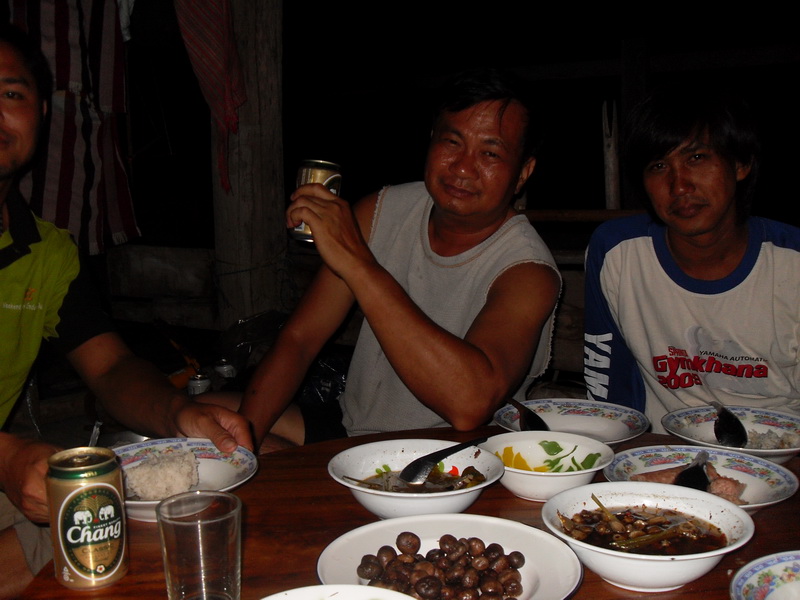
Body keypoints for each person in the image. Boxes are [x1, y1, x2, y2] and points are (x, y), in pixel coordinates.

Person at [0, 24, 252, 597]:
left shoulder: (48, 252)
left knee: (117, 520)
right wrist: (7, 456)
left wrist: (179, 416)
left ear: (41, 112)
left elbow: (111, 368)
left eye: (10, 93)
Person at [241, 68, 562, 448]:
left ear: (523, 172)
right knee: (211, 425)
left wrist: (358, 264)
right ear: (431, 139)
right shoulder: (381, 211)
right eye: (452, 142)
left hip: (453, 458)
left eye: (490, 153)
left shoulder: (528, 271)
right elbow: (300, 339)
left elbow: (469, 405)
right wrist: (242, 448)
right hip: (352, 431)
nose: (462, 167)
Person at [583, 87, 800, 432]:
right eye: (658, 166)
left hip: (783, 448)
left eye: (696, 158)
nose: (679, 185)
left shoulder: (791, 263)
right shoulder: (618, 253)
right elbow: (608, 387)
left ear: (740, 164)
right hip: (661, 449)